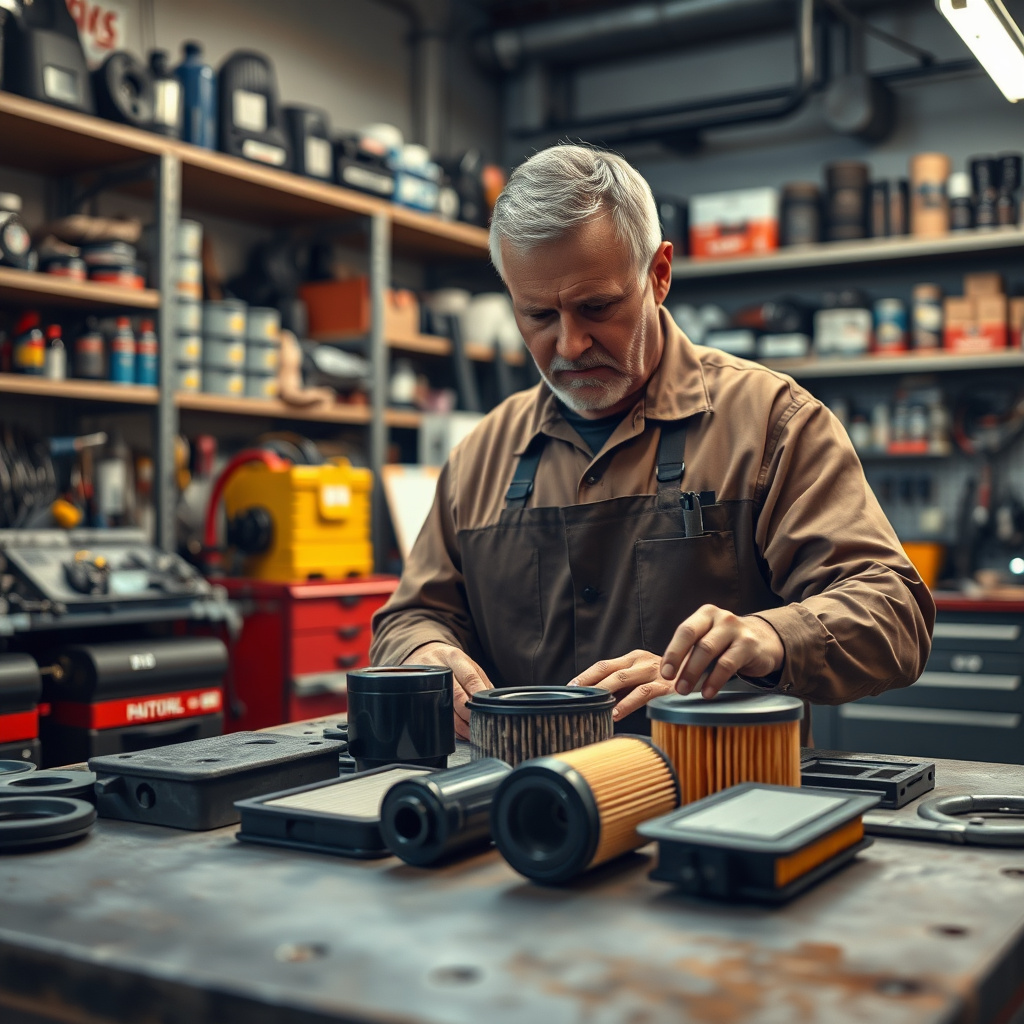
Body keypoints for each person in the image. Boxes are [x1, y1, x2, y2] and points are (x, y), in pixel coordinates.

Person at [370, 144, 934, 742]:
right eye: (537, 315)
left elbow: (891, 612)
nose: (569, 345)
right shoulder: (481, 455)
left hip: (720, 801)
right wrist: (425, 651)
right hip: (525, 806)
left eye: (597, 307)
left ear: (658, 275)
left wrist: (768, 637)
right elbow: (410, 615)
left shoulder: (771, 422)